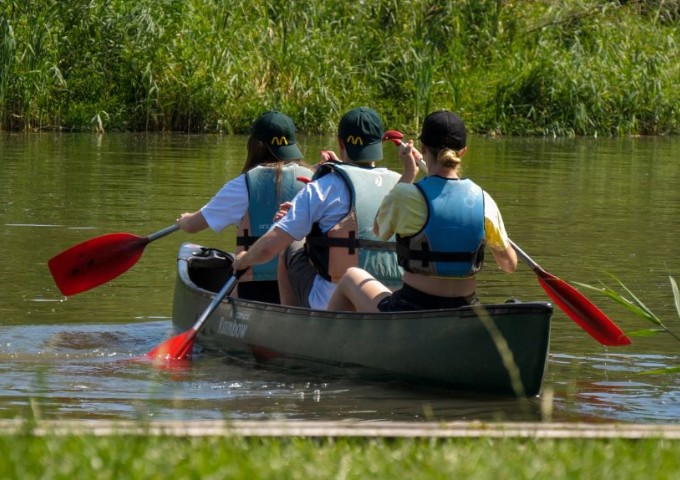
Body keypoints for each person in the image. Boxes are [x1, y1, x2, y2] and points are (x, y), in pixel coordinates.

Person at [326, 110, 517, 312]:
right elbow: (509, 265)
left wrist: (409, 173)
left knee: (351, 276)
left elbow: (378, 229)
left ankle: (330, 340)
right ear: (463, 152)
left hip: (411, 308)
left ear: (423, 148)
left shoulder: (405, 196)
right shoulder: (484, 201)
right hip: (466, 309)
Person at [231, 107, 403, 309]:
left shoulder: (322, 187)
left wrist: (243, 261)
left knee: (288, 246)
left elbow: (269, 247)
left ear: (340, 142)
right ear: (380, 143)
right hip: (389, 299)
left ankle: (292, 322)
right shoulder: (401, 184)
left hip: (331, 302)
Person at [176, 110, 312, 303]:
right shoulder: (316, 180)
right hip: (305, 286)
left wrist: (184, 220)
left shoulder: (243, 185)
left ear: (255, 145)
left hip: (258, 289)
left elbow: (192, 226)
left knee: (232, 287)